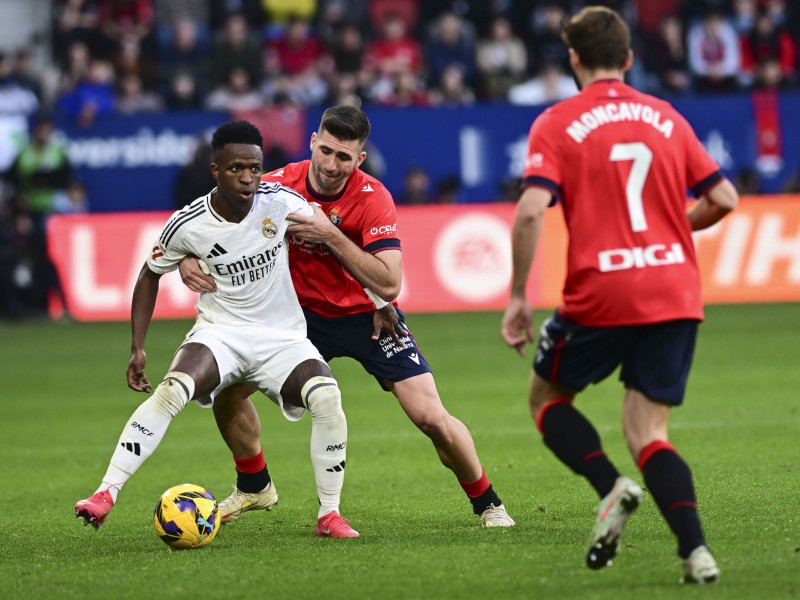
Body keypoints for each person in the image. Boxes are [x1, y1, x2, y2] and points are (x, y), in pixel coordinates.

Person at [180, 105, 515, 529]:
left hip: (369, 317)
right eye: (326, 151)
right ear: (313, 143)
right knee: (227, 392)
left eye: (344, 157)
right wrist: (186, 256)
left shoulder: (373, 198)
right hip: (298, 321)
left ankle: (489, 504)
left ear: (359, 160)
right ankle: (254, 484)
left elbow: (390, 283)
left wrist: (330, 234)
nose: (331, 165)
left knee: (430, 416)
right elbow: (211, 216)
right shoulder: (279, 184)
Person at [500, 6, 738, 584]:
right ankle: (696, 553)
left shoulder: (557, 122)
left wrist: (517, 296)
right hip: (673, 287)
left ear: (574, 59)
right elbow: (726, 197)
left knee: (546, 399)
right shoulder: (666, 116)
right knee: (648, 433)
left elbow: (532, 208)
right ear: (629, 59)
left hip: (602, 288)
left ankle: (610, 489)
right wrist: (673, 227)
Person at [75, 120, 359, 538]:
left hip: (282, 336)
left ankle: (329, 515)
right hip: (220, 332)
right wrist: (138, 347)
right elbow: (149, 274)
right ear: (216, 170)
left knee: (328, 398)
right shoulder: (188, 224)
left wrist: (380, 298)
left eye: (255, 168)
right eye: (236, 168)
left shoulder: (279, 201)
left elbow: (334, 234)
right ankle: (105, 493)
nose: (247, 178)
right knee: (172, 389)